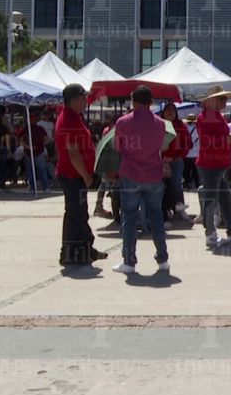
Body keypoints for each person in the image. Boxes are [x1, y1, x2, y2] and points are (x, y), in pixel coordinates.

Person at [112, 86, 169, 274]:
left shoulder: (122, 122)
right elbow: (161, 146)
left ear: (132, 100)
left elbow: (117, 147)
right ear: (151, 101)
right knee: (156, 216)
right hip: (153, 174)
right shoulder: (161, 124)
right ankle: (162, 259)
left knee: (129, 217)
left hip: (130, 174)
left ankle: (129, 261)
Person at [56, 84, 105, 266]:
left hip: (74, 174)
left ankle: (85, 249)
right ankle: (68, 253)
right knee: (74, 214)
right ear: (74, 100)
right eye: (83, 98)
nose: (86, 101)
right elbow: (73, 152)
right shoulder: (69, 120)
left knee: (80, 213)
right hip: (72, 174)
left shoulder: (73, 116)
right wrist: (86, 176)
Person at [197, 85, 231, 248]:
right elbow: (206, 141)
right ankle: (211, 233)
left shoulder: (216, 116)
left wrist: (226, 140)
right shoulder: (204, 117)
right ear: (212, 100)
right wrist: (225, 140)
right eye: (222, 99)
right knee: (211, 199)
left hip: (219, 163)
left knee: (224, 199)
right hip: (210, 164)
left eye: (225, 98)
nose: (225, 101)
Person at [161, 102, 192, 223]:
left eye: (172, 110)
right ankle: (166, 208)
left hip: (176, 161)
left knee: (176, 185)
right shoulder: (159, 124)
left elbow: (187, 144)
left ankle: (179, 208)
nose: (170, 112)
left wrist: (177, 157)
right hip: (160, 161)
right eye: (167, 110)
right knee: (162, 187)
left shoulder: (181, 126)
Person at [182, 113, 200, 190]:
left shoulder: (185, 129)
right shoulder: (198, 129)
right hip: (195, 154)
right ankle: (197, 185)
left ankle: (186, 184)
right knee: (195, 172)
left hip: (186, 153)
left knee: (186, 171)